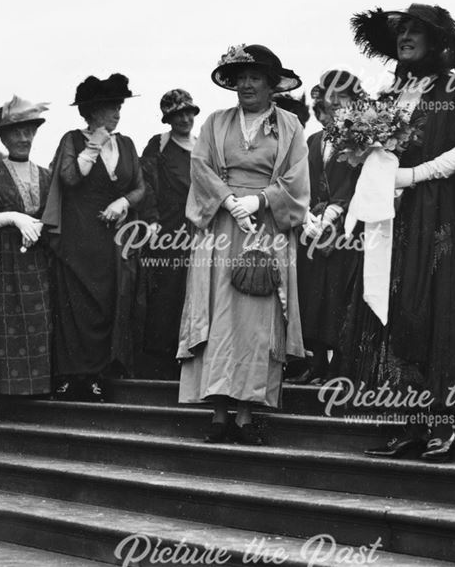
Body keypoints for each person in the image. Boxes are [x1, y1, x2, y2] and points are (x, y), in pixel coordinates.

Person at [333, 4, 455, 461]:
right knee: (397, 312)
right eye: (401, 30)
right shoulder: (388, 96)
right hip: (392, 219)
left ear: (436, 40)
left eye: (415, 30)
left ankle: (442, 422)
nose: (405, 37)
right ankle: (409, 423)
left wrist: (414, 175)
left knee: (436, 311)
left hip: (437, 216)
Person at [177, 44, 309, 446]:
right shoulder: (216, 123)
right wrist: (230, 201)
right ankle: (218, 412)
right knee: (219, 314)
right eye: (241, 78)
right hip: (221, 225)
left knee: (255, 316)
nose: (247, 84)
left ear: (271, 84)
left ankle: (248, 413)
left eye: (256, 77)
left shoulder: (289, 126)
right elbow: (199, 167)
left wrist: (259, 199)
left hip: (265, 228)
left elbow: (297, 177)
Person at [43, 74, 146, 402]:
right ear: (91, 111)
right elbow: (69, 178)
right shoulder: (72, 140)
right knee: (79, 306)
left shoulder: (127, 144)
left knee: (109, 301)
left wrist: (123, 202)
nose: (118, 112)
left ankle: (101, 374)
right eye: (111, 107)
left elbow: (141, 187)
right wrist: (93, 145)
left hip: (112, 239)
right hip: (79, 239)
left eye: (119, 106)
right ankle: (74, 376)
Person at [0, 96, 54, 396]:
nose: (24, 138)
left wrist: (41, 226)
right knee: (6, 326)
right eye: (17, 132)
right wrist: (13, 218)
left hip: (37, 262)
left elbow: (55, 216)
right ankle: (3, 394)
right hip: (4, 264)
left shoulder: (45, 175)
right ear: (3, 137)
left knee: (39, 321)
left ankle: (38, 390)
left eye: (29, 131)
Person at [291, 70, 364, 385]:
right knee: (312, 293)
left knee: (337, 295)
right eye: (326, 106)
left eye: (338, 105)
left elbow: (355, 184)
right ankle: (317, 362)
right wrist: (307, 216)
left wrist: (333, 213)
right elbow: (303, 181)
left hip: (344, 226)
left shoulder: (358, 139)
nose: (331, 112)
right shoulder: (313, 140)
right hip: (313, 225)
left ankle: (339, 366)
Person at [135, 89, 199, 379]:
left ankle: (190, 356)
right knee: (166, 291)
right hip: (167, 230)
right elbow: (146, 184)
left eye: (188, 113)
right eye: (177, 115)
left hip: (199, 229)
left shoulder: (203, 146)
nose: (184, 119)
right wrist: (152, 221)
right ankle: (158, 359)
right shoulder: (158, 146)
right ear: (168, 119)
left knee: (195, 290)